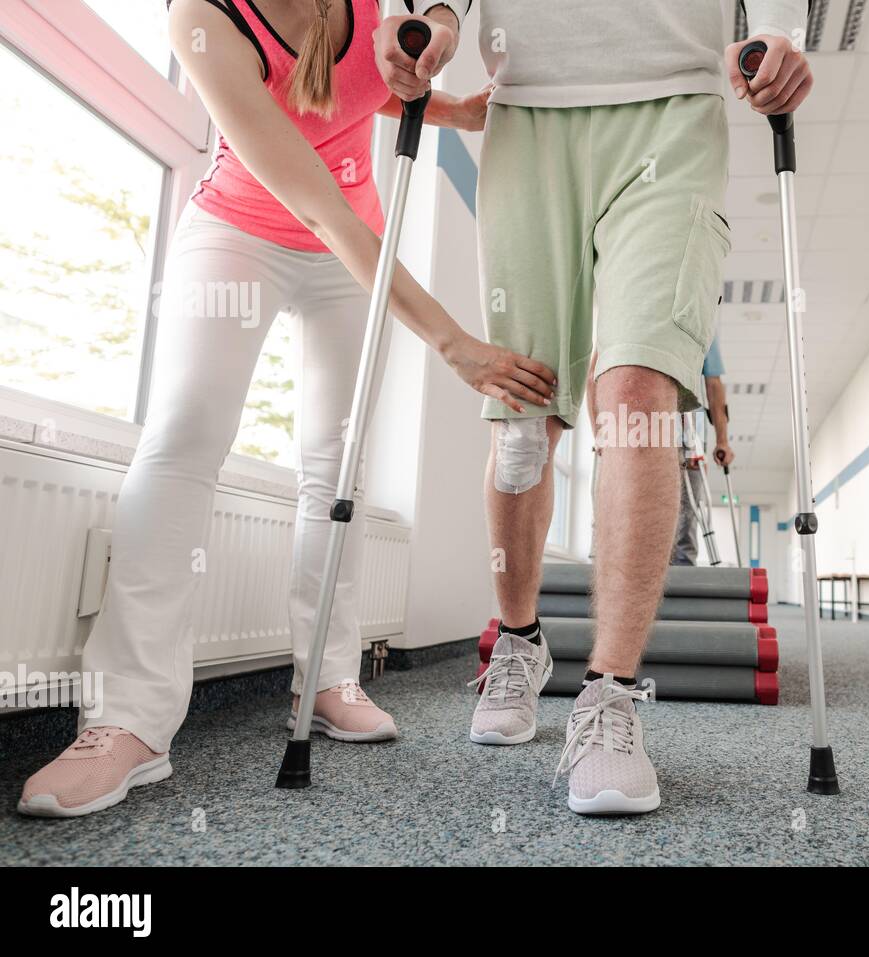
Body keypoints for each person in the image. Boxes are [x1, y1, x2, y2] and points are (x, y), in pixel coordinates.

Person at [17, 0, 555, 818]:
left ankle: (330, 677)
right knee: (183, 437)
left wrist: (449, 103)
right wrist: (453, 344)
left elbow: (361, 87)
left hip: (344, 243)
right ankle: (127, 720)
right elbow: (315, 204)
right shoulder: (203, 18)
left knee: (333, 465)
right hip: (244, 228)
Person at [379, 0, 812, 814]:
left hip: (673, 109)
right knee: (520, 424)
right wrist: (435, 15)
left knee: (638, 394)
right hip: (528, 115)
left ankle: (610, 697)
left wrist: (780, 31)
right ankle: (518, 642)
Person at [673, 333, 735, 566]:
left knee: (687, 516)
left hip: (689, 432)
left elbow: (713, 385)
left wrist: (722, 440)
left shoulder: (703, 324)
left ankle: (682, 578)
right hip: (650, 429)